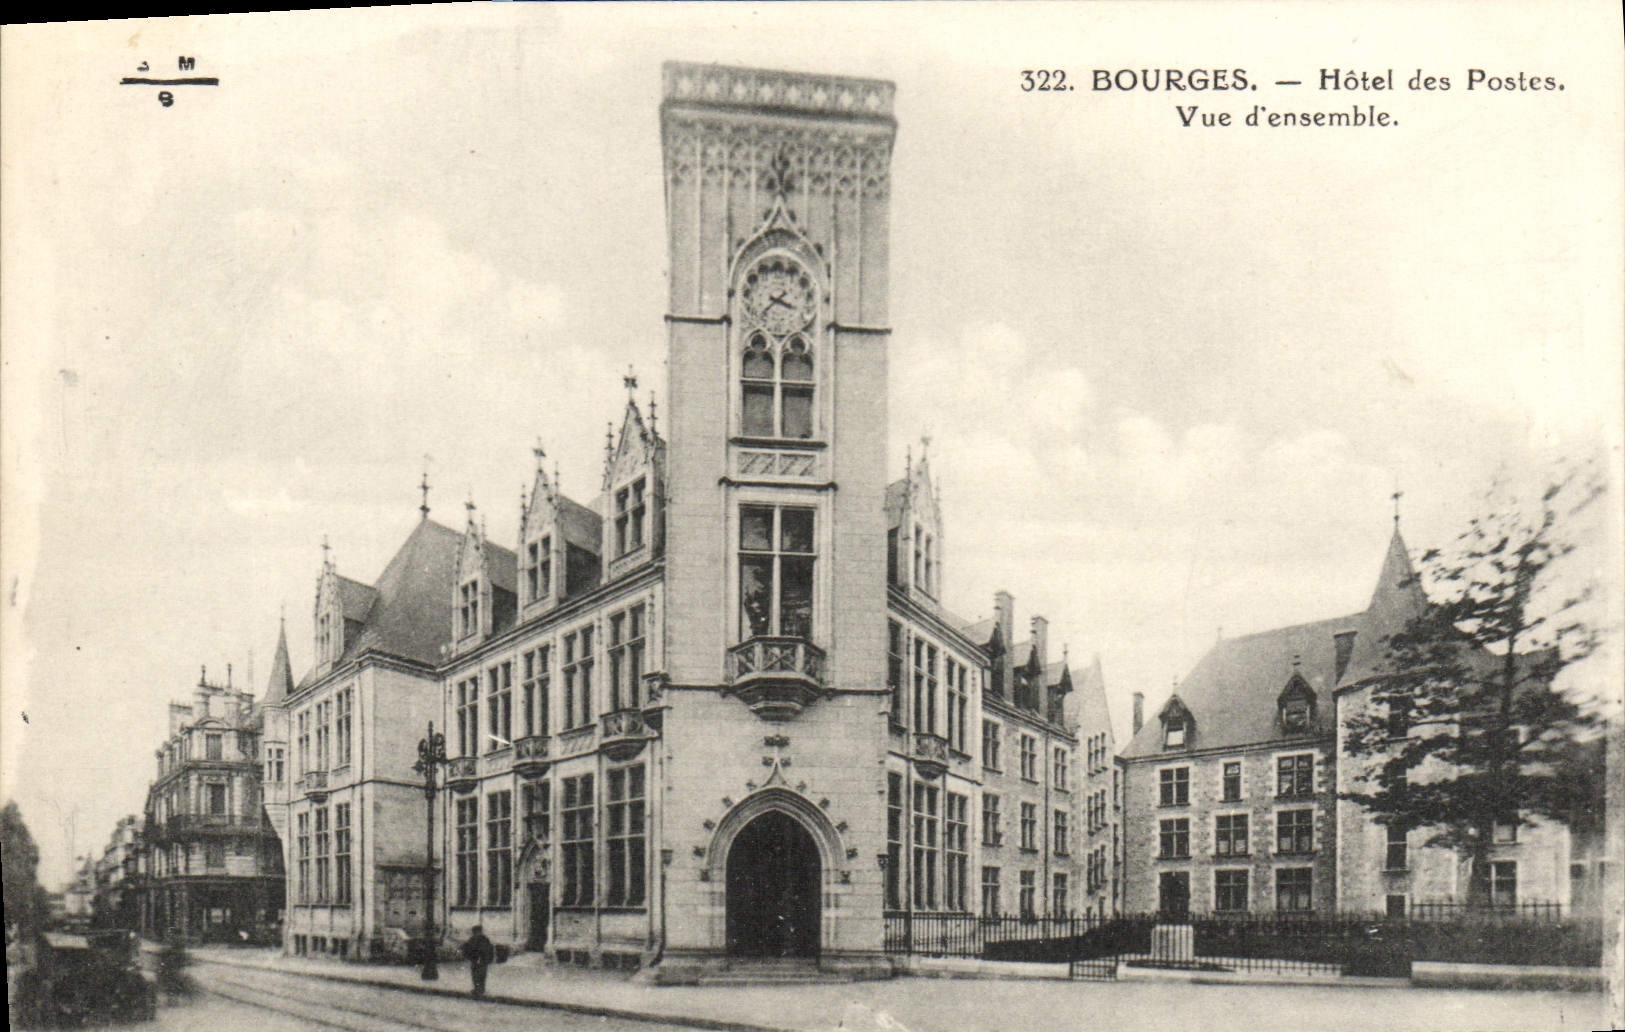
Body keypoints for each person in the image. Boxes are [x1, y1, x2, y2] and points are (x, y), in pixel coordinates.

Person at [460, 925, 494, 999]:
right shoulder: (485, 939)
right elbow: (490, 949)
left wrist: (469, 956)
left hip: (476, 960)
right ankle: (481, 989)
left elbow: (469, 948)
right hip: (482, 960)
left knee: (476, 975)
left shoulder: (474, 939)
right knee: (481, 975)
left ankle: (477, 989)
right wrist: (488, 959)